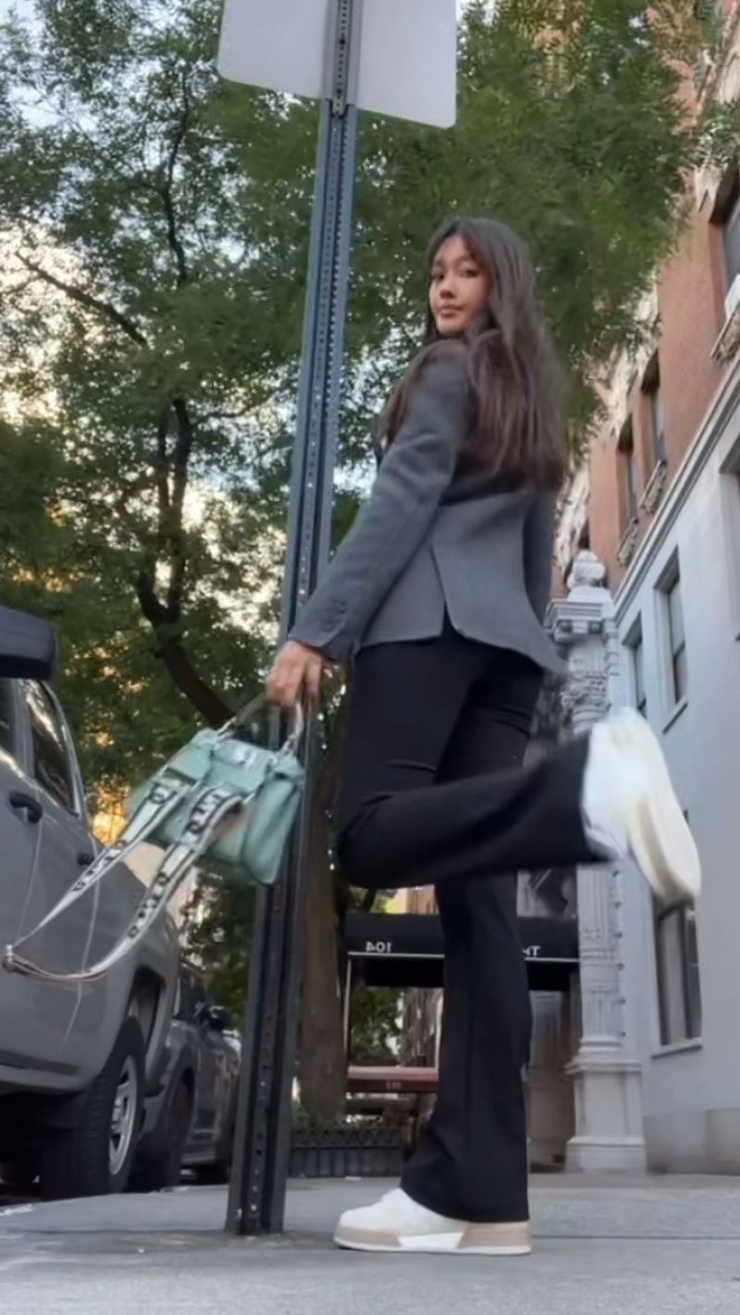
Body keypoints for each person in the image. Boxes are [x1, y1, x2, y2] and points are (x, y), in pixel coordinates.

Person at [267, 216, 701, 1257]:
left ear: (499, 283)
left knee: (369, 834)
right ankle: (482, 1194)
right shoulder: (533, 398)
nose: (446, 287)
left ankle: (582, 791)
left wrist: (317, 629)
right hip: (505, 650)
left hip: (423, 630)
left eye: (467, 271)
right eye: (437, 272)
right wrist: (520, 647)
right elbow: (534, 551)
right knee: (481, 918)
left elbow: (401, 502)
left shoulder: (445, 372)